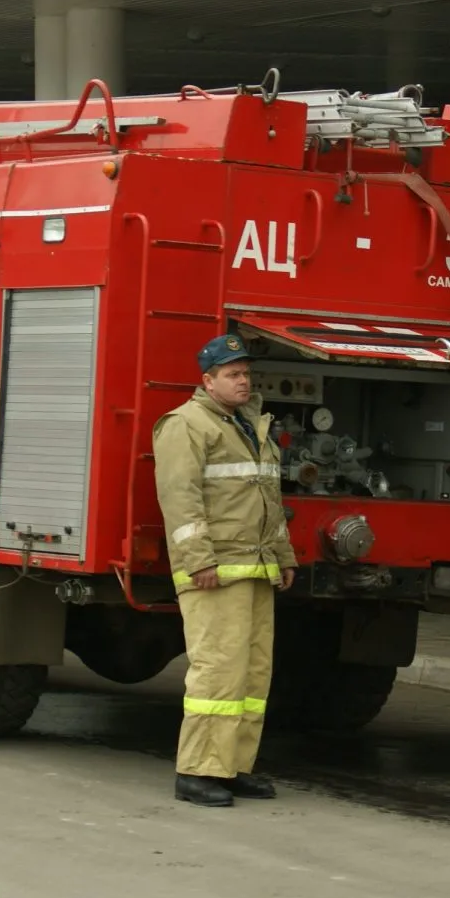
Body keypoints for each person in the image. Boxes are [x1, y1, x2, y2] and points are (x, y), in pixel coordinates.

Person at [152, 333, 298, 807]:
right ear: (208, 380)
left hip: (255, 569)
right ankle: (196, 771)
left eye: (246, 373)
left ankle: (233, 767)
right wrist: (198, 560)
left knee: (252, 677)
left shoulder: (249, 425)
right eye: (233, 374)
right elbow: (180, 498)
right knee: (217, 672)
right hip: (215, 572)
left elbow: (268, 500)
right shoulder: (186, 425)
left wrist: (284, 556)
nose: (243, 381)